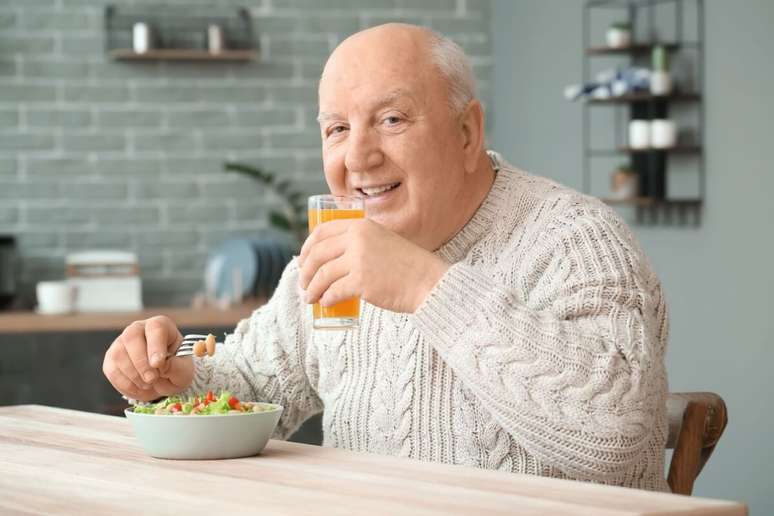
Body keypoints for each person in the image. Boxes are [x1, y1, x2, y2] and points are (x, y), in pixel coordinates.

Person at [103, 23, 669, 491]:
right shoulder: (330, 250)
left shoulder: (575, 238)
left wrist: (427, 286)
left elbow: (619, 436)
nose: (358, 156)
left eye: (392, 120)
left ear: (468, 131)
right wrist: (175, 376)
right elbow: (252, 383)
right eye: (338, 129)